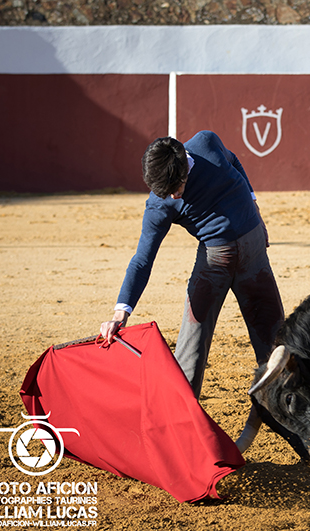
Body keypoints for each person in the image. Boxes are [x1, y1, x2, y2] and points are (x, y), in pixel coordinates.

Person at [101, 130, 285, 399]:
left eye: (176, 188)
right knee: (268, 333)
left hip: (236, 253)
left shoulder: (205, 145)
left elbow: (233, 159)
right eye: (163, 191)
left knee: (205, 341)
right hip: (237, 248)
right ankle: (287, 401)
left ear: (185, 167)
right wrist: (121, 312)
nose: (173, 197)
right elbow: (142, 260)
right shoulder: (164, 196)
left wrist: (254, 202)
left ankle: (185, 407)